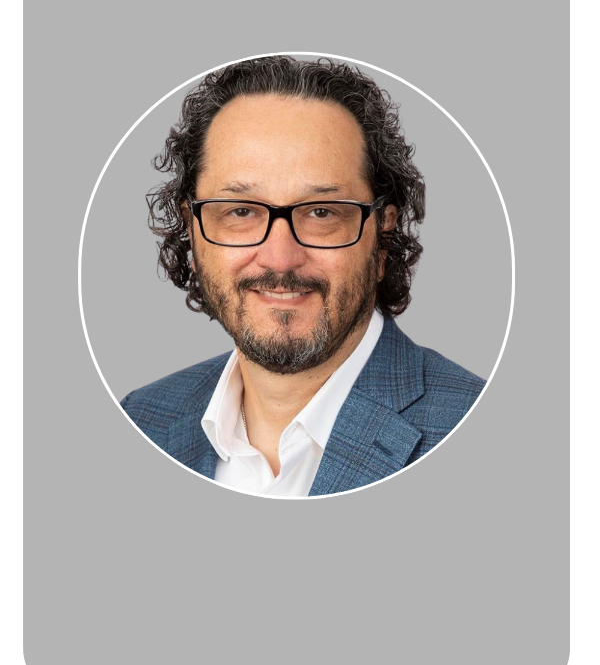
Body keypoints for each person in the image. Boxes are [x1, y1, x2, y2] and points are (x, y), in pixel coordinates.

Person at [121, 56, 485, 496]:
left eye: (321, 212)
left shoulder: (477, 428)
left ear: (383, 232)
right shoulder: (139, 419)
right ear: (193, 230)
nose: (279, 259)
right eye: (240, 211)